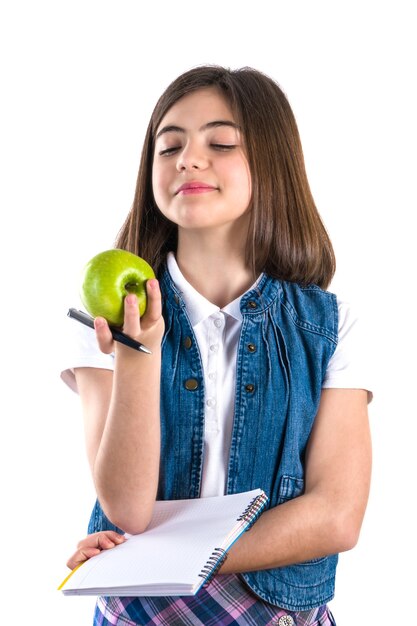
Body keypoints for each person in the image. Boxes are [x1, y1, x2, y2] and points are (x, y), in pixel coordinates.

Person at [61, 65, 372, 626]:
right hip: (141, 612)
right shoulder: (105, 320)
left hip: (280, 614)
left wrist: (167, 556)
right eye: (169, 146)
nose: (188, 159)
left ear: (271, 165)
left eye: (221, 142)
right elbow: (127, 507)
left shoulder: (329, 325)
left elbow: (336, 517)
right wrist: (138, 352)